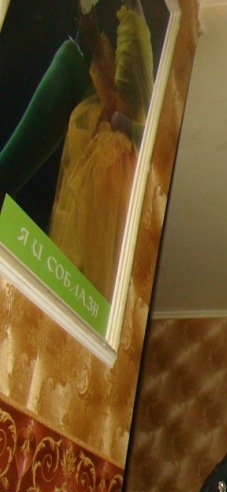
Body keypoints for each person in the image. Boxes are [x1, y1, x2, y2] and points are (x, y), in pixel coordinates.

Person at [0, 0, 154, 298]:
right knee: (69, 57)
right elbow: (126, 86)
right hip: (112, 136)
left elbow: (139, 114)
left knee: (69, 59)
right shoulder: (133, 23)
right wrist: (96, 41)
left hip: (115, 156)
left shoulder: (139, 25)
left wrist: (122, 123)